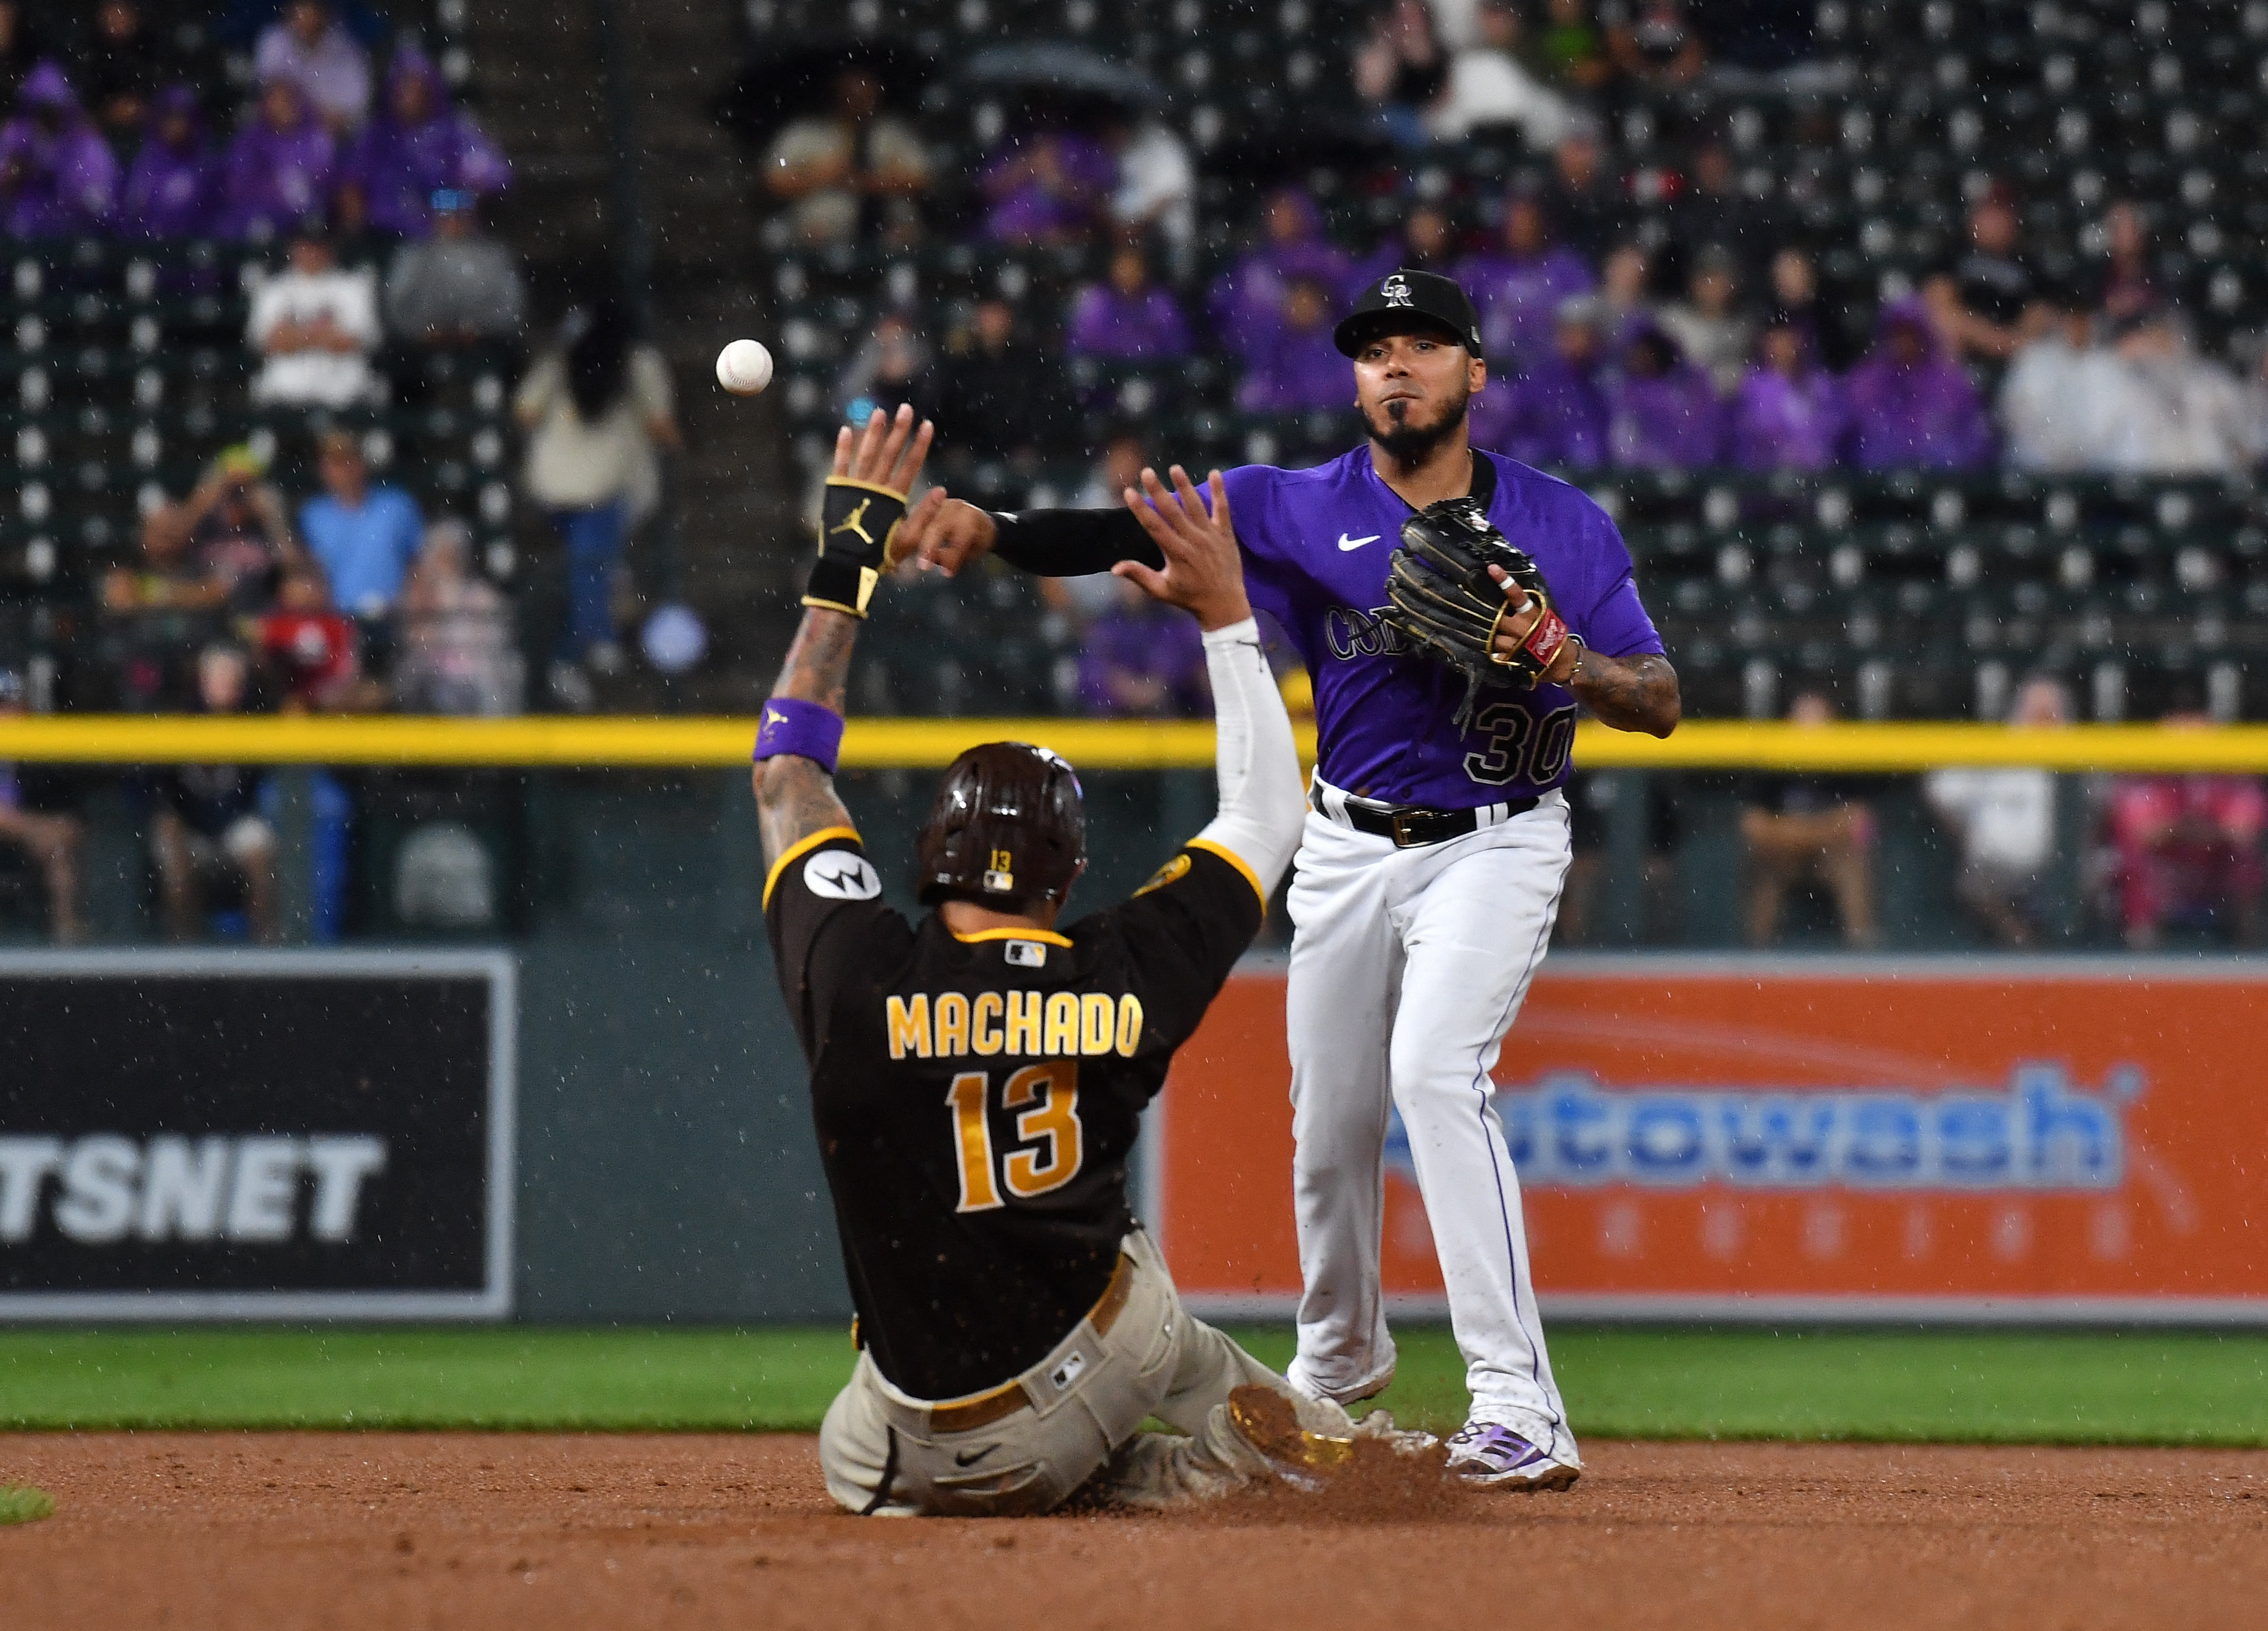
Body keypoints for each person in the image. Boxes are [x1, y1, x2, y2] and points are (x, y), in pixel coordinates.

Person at [898, 266, 1683, 1490]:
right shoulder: (1290, 507)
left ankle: (1520, 1405)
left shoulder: (1562, 521)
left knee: (1435, 1071)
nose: (1398, 366)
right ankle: (1336, 1369)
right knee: (1328, 1131)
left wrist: (1564, 656)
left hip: (1496, 837)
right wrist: (994, 531)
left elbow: (1661, 702)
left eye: (1425, 346)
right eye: (1376, 349)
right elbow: (1121, 529)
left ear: (1473, 373)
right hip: (1347, 842)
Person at [761, 406, 1413, 1516]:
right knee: (1151, 1306)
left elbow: (787, 774)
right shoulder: (1119, 970)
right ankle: (1301, 1455)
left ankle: (1071, 1470)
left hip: (894, 1455)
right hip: (1091, 1381)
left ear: (930, 858)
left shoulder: (853, 968)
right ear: (1065, 879)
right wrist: (1225, 621)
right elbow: (1263, 819)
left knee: (857, 1423)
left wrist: (849, 559)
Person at [514, 297, 680, 701]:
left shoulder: (568, 359)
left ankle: (577, 649)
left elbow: (525, 414)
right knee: (591, 569)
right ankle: (583, 648)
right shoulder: (635, 364)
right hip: (589, 491)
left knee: (587, 568)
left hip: (559, 487)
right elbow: (662, 428)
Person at [2104, 700, 2267, 949]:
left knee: (2247, 864)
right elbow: (2143, 833)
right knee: (2133, 866)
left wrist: (2180, 830)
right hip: (2166, 872)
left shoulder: (2232, 775)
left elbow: (2245, 832)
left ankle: (2251, 955)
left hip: (2218, 868)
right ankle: (2139, 961)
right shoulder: (2145, 776)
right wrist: (2203, 830)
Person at [1923, 676, 2069, 948]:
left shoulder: (2080, 748)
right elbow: (1942, 790)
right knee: (1976, 887)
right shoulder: (1998, 745)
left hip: (2063, 865)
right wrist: (1967, 836)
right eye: (2036, 708)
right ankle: (2021, 939)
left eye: (2050, 709)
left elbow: (2101, 804)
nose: (2043, 716)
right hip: (1995, 861)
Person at [149, 645, 279, 944]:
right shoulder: (180, 719)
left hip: (235, 821)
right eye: (220, 679)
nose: (227, 687)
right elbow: (157, 789)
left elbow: (258, 786)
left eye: (234, 680)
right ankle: (184, 955)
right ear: (203, 681)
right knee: (172, 852)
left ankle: (268, 952)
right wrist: (170, 819)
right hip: (189, 824)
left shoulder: (252, 718)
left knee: (259, 848)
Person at [1740, 690, 1876, 948]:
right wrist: (1819, 831)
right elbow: (1754, 827)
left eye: (1819, 719)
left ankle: (1865, 961)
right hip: (1783, 856)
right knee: (1766, 872)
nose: (1811, 727)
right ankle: (1756, 960)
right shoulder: (1770, 762)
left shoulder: (1847, 759)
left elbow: (1860, 824)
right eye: (1803, 718)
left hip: (1831, 856)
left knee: (1853, 868)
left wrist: (1796, 832)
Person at [343, 44, 511, 241]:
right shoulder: (375, 134)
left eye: (417, 88)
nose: (410, 97)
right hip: (382, 235)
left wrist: (447, 203)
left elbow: (494, 176)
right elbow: (350, 180)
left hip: (437, 236)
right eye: (403, 88)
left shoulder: (454, 131)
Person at [764, 65, 930, 247]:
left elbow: (922, 180)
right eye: (851, 89)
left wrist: (870, 182)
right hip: (820, 226)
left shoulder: (893, 133)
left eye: (865, 88)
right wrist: (823, 175)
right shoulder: (805, 133)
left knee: (904, 237)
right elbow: (773, 181)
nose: (858, 96)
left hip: (889, 227)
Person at [915, 298, 1075, 477]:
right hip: (967, 461)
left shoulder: (1031, 364)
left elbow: (1047, 410)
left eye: (998, 315)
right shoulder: (958, 365)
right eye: (988, 315)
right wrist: (951, 447)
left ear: (1010, 318)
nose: (993, 323)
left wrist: (1033, 447)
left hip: (1019, 464)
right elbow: (943, 410)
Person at [2089, 309, 2254, 476]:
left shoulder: (2213, 380)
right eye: (2156, 340)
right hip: (2154, 478)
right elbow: (2101, 438)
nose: (2164, 348)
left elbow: (2244, 436)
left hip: (2209, 476)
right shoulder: (2129, 384)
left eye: (2169, 338)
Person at [101, 500, 231, 710]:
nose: (166, 538)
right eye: (159, 531)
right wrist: (186, 595)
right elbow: (121, 599)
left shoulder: (197, 564)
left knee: (221, 665)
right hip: (143, 654)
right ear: (144, 532)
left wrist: (154, 594)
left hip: (193, 654)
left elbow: (217, 593)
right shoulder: (130, 564)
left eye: (172, 531)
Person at [297, 429, 423, 635]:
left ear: (361, 462)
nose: (342, 470)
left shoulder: (397, 505)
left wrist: (410, 611)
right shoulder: (312, 515)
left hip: (395, 621)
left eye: (348, 460)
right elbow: (310, 573)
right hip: (338, 625)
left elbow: (417, 563)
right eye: (334, 462)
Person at [1843, 297, 1993, 470]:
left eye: (1912, 336)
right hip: (1873, 485)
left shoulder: (1952, 384)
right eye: (1898, 335)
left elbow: (1975, 443)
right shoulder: (1865, 381)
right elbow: (1849, 444)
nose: (1905, 344)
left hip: (1940, 484)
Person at [1208, 187, 1350, 364]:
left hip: (1325, 351)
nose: (1280, 220)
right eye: (1275, 213)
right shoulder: (1254, 268)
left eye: (1288, 212)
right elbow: (1231, 317)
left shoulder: (1329, 259)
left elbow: (1348, 304)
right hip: (1272, 356)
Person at [1456, 194, 1595, 374]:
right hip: (1495, 373)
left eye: (1527, 223)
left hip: (1552, 374)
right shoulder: (1486, 270)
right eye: (1514, 224)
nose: (1519, 230)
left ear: (1542, 225)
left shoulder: (1566, 270)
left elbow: (1583, 330)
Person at [246, 224, 381, 408]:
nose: (312, 252)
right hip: (284, 389)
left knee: (346, 420)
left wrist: (295, 335)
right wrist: (323, 332)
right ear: (293, 247)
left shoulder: (354, 286)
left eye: (318, 246)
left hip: (342, 388)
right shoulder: (274, 288)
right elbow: (270, 342)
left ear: (331, 248)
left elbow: (351, 341)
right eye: (306, 246)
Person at [393, 518, 519, 715]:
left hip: (477, 677)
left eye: (451, 554)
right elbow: (414, 641)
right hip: (435, 676)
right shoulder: (422, 596)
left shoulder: (483, 595)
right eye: (440, 555)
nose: (446, 562)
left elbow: (496, 641)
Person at [1476, 293, 1610, 468]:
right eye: (1572, 333)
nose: (1579, 342)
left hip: (1591, 478)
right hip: (1541, 472)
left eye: (1587, 335)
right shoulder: (1539, 380)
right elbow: (1514, 436)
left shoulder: (1604, 382)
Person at [0, 668, 84, 944]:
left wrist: (44, 830)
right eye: (2, 705)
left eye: (13, 704)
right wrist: (22, 825)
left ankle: (66, 945)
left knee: (59, 854)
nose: (7, 713)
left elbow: (72, 819)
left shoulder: (43, 754)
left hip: (30, 846)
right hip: (25, 833)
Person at [381, 189, 526, 343]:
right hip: (420, 348)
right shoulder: (412, 255)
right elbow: (396, 306)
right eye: (446, 215)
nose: (453, 222)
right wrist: (423, 331)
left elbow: (511, 306)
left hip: (483, 346)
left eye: (460, 216)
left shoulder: (493, 256)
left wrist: (479, 330)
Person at [1426, 0, 1575, 148]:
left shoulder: (1537, 58)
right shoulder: (1465, 62)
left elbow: (1552, 114)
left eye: (1500, 15)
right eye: (1490, 15)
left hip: (1525, 146)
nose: (1495, 23)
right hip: (1471, 147)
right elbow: (1442, 122)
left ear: (1514, 18)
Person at [0, 60, 119, 237]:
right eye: (42, 109)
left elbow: (101, 204)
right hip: (23, 233)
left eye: (54, 109)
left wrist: (62, 180)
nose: (49, 116)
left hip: (74, 236)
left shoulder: (84, 140)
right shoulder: (15, 135)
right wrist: (16, 173)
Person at [1997, 289, 2110, 472]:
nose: (2078, 327)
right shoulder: (2034, 358)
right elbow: (2016, 414)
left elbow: (2106, 427)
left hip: (2093, 469)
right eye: (2072, 319)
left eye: (2083, 320)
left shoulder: (2105, 364)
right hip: (2035, 466)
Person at [1923, 186, 2036, 366]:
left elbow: (2040, 311)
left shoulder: (2027, 263)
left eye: (2001, 216)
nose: (1994, 224)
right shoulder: (1956, 253)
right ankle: (1950, 389)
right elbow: (1938, 300)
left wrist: (2012, 340)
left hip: (2014, 345)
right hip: (1966, 339)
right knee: (1945, 324)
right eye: (1989, 216)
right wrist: (1991, 338)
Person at [219, 73, 336, 241]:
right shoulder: (250, 140)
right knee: (253, 228)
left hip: (306, 216)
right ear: (265, 105)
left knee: (316, 222)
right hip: (262, 215)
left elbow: (328, 178)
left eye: (290, 100)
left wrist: (305, 186)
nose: (285, 107)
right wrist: (277, 186)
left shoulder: (315, 136)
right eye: (278, 101)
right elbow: (237, 185)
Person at [184, 445, 301, 612]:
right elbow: (169, 544)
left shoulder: (263, 528)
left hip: (257, 612)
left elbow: (292, 564)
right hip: (207, 613)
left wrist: (272, 518)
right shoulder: (205, 526)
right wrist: (201, 504)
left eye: (247, 487)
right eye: (232, 489)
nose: (238, 496)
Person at [1078, 576, 1209, 717]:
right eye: (1125, 580)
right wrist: (1123, 687)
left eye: (1135, 580)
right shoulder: (1107, 623)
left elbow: (1183, 662)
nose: (1131, 587)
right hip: (1116, 713)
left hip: (1168, 711)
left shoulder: (1169, 621)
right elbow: (1093, 668)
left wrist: (1157, 685)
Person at [1604, 320, 1725, 469]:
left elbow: (1699, 438)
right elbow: (1621, 445)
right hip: (1634, 476)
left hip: (1685, 473)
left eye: (1646, 353)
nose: (1640, 358)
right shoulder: (1621, 390)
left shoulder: (1683, 387)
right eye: (1636, 353)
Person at [1731, 321, 1847, 471]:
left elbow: (1834, 425)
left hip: (1819, 474)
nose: (1785, 349)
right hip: (1767, 475)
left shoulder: (1820, 384)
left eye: (1790, 341)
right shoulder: (1752, 387)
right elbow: (1754, 433)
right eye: (1778, 342)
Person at [979, 125, 1113, 246]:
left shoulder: (1079, 151)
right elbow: (987, 189)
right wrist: (1028, 166)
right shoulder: (1016, 152)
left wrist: (1061, 185)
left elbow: (1098, 209)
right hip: (1007, 241)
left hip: (1057, 247)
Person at [1237, 276, 1353, 413]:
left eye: (1310, 302)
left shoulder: (1339, 345)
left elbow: (1344, 393)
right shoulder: (1272, 344)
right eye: (1298, 301)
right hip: (1282, 422)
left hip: (1332, 421)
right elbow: (1255, 392)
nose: (1303, 308)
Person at [253, 0, 370, 134]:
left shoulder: (346, 48)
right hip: (279, 133)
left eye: (312, 9)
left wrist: (309, 116)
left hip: (332, 138)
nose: (305, 16)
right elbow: (270, 98)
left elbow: (353, 110)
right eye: (300, 7)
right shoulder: (274, 40)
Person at [120, 85, 221, 239]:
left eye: (181, 118)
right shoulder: (144, 163)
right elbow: (129, 213)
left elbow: (210, 218)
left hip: (188, 251)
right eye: (169, 117)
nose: (175, 125)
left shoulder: (205, 167)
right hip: (146, 249)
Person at [1065, 245, 1192, 361]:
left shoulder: (1160, 303)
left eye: (1134, 269)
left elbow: (1179, 347)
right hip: (1108, 377)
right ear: (1113, 271)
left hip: (1154, 377)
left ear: (1145, 271)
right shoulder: (1098, 303)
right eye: (1123, 269)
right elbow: (1080, 349)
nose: (1129, 275)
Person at [1658, 246, 1754, 397]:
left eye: (1721, 280)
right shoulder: (1672, 322)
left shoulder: (1744, 329)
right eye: (1707, 279)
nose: (1713, 287)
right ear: (1694, 283)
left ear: (1734, 285)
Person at [1355, 0, 1449, 149]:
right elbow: (1371, 92)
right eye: (1403, 17)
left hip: (1428, 119)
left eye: (1413, 16)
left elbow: (1444, 95)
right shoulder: (1384, 50)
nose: (1409, 23)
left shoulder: (1439, 52)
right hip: (1391, 119)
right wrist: (1391, 49)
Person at [71, 0, 158, 145]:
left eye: (122, 14)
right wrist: (106, 112)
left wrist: (140, 107)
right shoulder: (87, 52)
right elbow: (81, 95)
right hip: (97, 136)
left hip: (147, 134)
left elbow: (160, 89)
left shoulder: (151, 50)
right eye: (112, 13)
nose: (117, 20)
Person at [1606, 0, 1705, 85]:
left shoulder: (1693, 6)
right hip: (1633, 75)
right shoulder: (1623, 5)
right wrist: (1646, 71)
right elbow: (1618, 41)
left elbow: (1701, 38)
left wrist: (1679, 72)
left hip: (1684, 72)